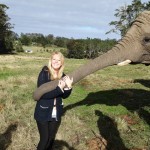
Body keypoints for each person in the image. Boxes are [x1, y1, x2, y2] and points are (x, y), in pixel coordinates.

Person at [34, 51, 73, 150]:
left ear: (62, 62)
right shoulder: (44, 73)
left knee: (51, 138)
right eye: (54, 59)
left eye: (58, 60)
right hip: (43, 111)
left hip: (56, 111)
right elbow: (41, 95)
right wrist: (58, 90)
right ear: (50, 60)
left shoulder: (62, 75)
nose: (56, 62)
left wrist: (69, 87)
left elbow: (64, 96)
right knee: (44, 139)